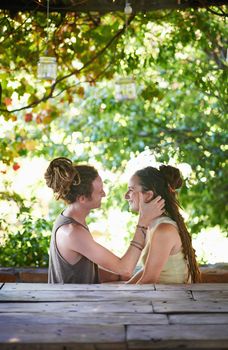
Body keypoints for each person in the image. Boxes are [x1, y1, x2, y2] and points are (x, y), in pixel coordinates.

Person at [44, 157, 165, 284]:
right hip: (71, 303)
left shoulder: (71, 219)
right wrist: (143, 222)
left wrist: (116, 277)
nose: (104, 194)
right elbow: (125, 268)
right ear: (82, 199)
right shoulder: (72, 232)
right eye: (99, 191)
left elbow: (81, 270)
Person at [125, 165, 201, 284]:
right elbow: (147, 270)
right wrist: (126, 288)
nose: (126, 196)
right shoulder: (154, 225)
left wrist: (123, 298)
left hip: (172, 301)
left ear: (149, 195)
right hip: (160, 298)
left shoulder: (164, 230)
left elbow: (148, 280)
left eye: (131, 189)